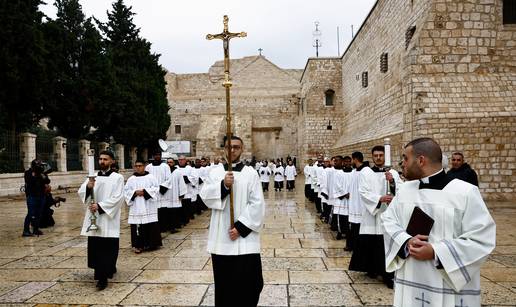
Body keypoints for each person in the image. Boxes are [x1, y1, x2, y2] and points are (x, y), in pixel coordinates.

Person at [382, 137, 496, 307]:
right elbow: (388, 221)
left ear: (421, 160)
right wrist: (405, 241)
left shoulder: (465, 192)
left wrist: (436, 252)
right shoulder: (405, 191)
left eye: (405, 158)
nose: (402, 163)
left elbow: (482, 239)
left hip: (449, 286)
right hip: (410, 276)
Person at [200, 136, 265, 307]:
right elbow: (205, 196)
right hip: (222, 239)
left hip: (245, 238)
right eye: (229, 147)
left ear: (242, 150)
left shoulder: (251, 173)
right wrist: (223, 186)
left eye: (236, 147)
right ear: (224, 149)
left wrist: (241, 227)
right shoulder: (214, 173)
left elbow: (257, 203)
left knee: (253, 283)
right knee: (225, 286)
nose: (233, 150)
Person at [349, 145, 401, 288]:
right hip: (372, 214)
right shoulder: (366, 173)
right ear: (372, 157)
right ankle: (371, 268)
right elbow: (363, 192)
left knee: (385, 244)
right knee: (371, 243)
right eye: (376, 155)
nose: (378, 158)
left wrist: (392, 182)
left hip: (388, 215)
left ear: (385, 156)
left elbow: (401, 190)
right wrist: (379, 199)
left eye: (381, 155)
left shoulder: (393, 173)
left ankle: (387, 274)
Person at [78, 150, 125, 290]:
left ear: (112, 161)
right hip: (94, 217)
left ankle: (105, 276)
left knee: (108, 245)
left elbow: (118, 198)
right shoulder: (92, 177)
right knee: (97, 246)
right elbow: (81, 192)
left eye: (105, 159)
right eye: (100, 159)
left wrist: (100, 206)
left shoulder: (118, 178)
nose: (102, 161)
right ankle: (101, 273)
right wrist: (88, 187)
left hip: (108, 217)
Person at [124, 159, 162, 253]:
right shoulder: (131, 179)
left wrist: (145, 192)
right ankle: (138, 245)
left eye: (140, 166)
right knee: (137, 225)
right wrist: (134, 193)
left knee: (150, 224)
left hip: (148, 205)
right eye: (136, 166)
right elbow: (126, 191)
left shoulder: (151, 177)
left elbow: (156, 188)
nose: (138, 167)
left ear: (144, 166)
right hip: (136, 206)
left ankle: (151, 244)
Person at [145, 151, 172, 232]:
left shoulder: (165, 166)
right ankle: (155, 228)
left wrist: (161, 188)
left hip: (162, 192)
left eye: (159, 155)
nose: (157, 156)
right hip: (153, 192)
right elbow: (146, 179)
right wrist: (152, 190)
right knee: (153, 210)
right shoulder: (148, 167)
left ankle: (164, 227)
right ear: (153, 156)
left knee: (163, 211)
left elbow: (169, 179)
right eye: (156, 155)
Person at [346, 151, 368, 252]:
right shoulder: (354, 171)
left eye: (352, 160)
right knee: (353, 226)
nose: (351, 162)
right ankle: (351, 245)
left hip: (360, 204)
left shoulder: (366, 171)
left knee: (358, 227)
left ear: (355, 159)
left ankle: (356, 246)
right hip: (354, 203)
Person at [22, 159, 50, 236]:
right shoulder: (28, 172)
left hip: (41, 196)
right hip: (32, 196)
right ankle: (26, 231)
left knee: (39, 214)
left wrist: (42, 176)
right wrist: (34, 176)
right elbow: (29, 182)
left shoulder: (42, 173)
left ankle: (36, 229)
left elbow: (48, 181)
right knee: (30, 213)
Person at [161, 158, 187, 232]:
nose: (169, 164)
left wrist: (181, 194)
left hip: (174, 195)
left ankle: (173, 227)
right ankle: (166, 227)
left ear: (174, 163)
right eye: (168, 162)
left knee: (174, 212)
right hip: (165, 195)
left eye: (171, 162)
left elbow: (181, 183)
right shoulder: (164, 172)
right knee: (166, 213)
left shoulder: (177, 172)